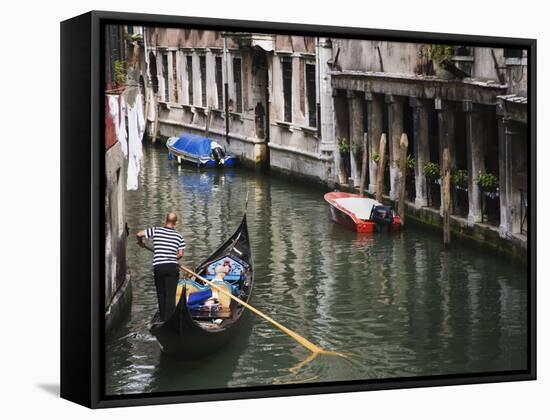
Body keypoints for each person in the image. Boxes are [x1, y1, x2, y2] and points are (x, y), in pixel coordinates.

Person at [136, 212, 186, 322]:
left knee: (161, 294)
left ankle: (163, 320)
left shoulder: (156, 230)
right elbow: (181, 254)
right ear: (175, 223)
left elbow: (139, 234)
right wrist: (172, 258)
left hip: (159, 267)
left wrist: (140, 243)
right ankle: (170, 321)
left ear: (165, 220)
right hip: (172, 267)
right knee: (170, 295)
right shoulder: (179, 236)